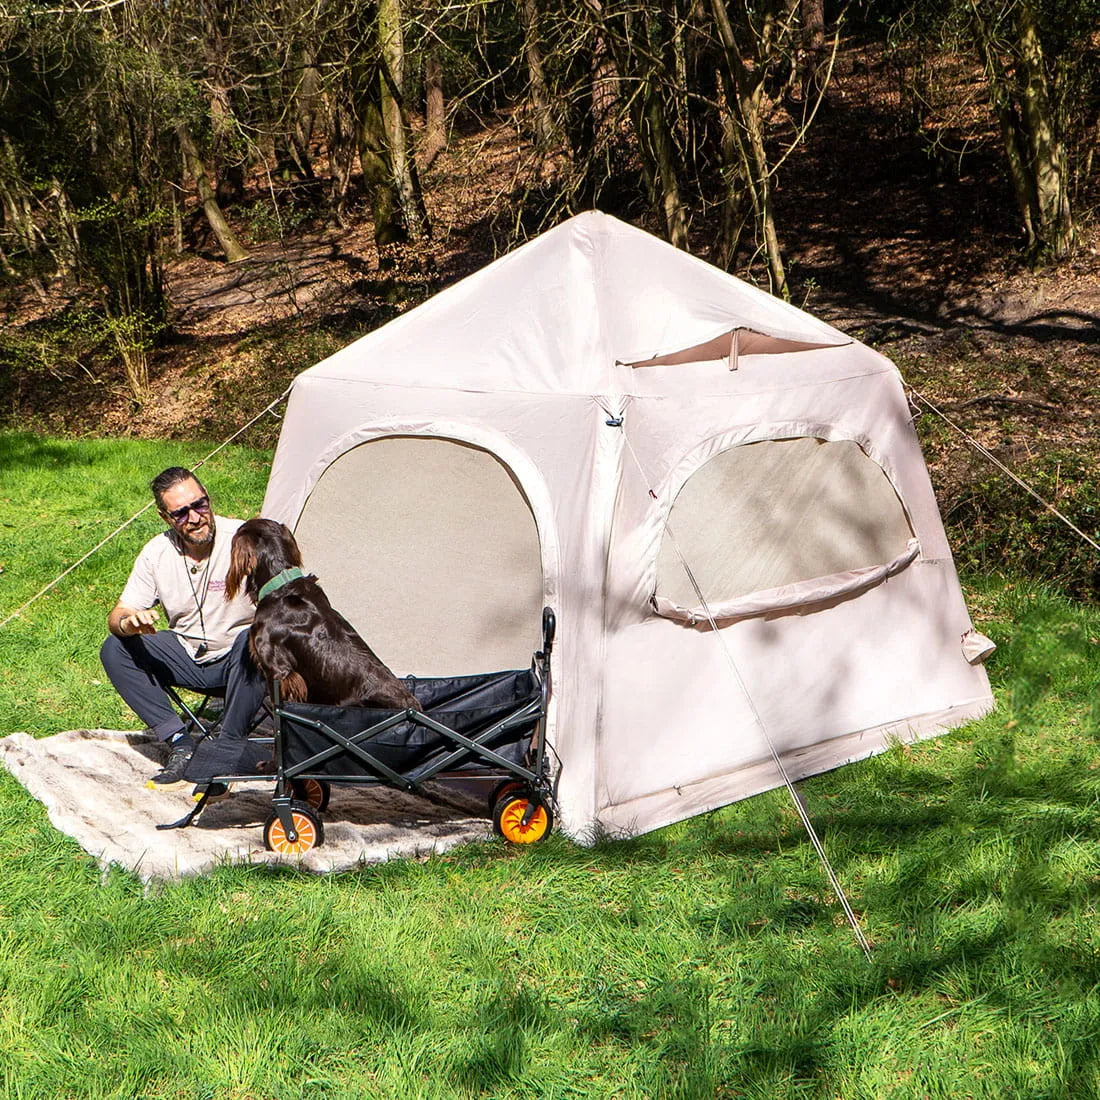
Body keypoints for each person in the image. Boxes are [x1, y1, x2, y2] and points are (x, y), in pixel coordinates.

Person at [100, 467, 266, 789]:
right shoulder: (156, 552)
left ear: (209, 499)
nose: (195, 517)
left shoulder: (246, 540)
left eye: (200, 505)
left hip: (243, 662)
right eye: (181, 513)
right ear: (166, 518)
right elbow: (118, 614)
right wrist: (129, 622)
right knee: (115, 647)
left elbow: (290, 596)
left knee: (253, 638)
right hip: (188, 655)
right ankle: (180, 742)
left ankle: (226, 751)